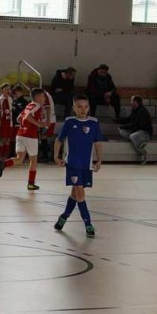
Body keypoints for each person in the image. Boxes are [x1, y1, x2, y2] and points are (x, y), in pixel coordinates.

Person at [53, 94, 104, 238]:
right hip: (73, 164)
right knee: (80, 193)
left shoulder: (94, 123)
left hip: (86, 165)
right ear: (74, 108)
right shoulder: (70, 122)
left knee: (75, 193)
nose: (83, 109)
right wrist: (56, 156)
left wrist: (99, 160)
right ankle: (88, 224)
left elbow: (98, 143)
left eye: (86, 106)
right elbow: (59, 140)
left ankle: (64, 216)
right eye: (79, 107)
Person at [0, 88, 50, 190]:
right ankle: (31, 183)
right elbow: (28, 116)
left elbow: (19, 118)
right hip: (30, 136)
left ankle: (3, 164)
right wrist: (38, 124)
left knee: (19, 158)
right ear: (38, 97)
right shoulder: (37, 106)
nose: (44, 98)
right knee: (33, 160)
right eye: (43, 96)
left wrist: (27, 124)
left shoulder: (28, 105)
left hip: (20, 134)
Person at [117, 95, 153, 164]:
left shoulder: (142, 111)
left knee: (132, 136)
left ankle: (142, 152)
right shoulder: (134, 110)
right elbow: (128, 120)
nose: (130, 102)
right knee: (121, 131)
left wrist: (124, 126)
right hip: (136, 131)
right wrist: (117, 121)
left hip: (144, 132)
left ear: (136, 102)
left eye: (131, 101)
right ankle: (137, 141)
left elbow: (137, 125)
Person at [0, 83, 15, 159]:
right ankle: (0, 155)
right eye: (6, 89)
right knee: (2, 139)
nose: (7, 90)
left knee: (8, 139)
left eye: (8, 89)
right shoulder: (0, 99)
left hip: (9, 122)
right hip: (3, 122)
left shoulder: (10, 99)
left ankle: (5, 156)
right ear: (2, 90)